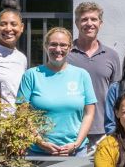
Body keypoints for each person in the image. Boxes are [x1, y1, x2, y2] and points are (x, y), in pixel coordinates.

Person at [17, 27, 96, 156]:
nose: (58, 49)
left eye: (63, 45)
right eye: (53, 44)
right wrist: (40, 142)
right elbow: (22, 115)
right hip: (38, 152)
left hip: (76, 151)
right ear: (45, 46)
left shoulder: (82, 75)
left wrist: (76, 144)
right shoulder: (31, 75)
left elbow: (89, 114)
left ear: (70, 48)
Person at [67, 1, 121, 149]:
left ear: (100, 23)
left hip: (103, 129)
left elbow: (116, 95)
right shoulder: (66, 54)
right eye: (84, 19)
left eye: (93, 19)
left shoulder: (111, 56)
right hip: (72, 129)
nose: (89, 23)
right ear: (77, 23)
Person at [0, 5, 28, 107]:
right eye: (3, 24)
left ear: (21, 27)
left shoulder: (22, 58)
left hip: (15, 119)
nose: (8, 29)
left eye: (13, 24)